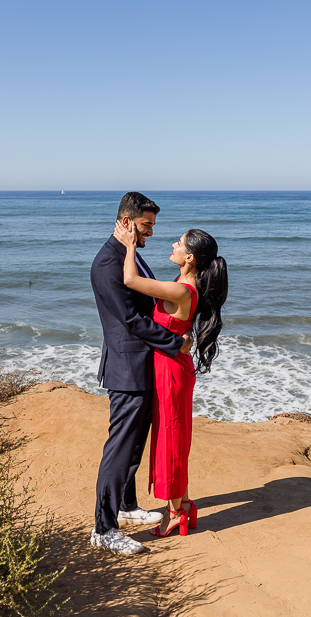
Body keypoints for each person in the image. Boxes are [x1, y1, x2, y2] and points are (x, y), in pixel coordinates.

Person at [89, 192, 194, 555]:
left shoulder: (130, 257)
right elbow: (132, 320)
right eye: (146, 225)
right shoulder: (107, 263)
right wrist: (174, 342)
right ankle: (103, 527)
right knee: (119, 449)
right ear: (125, 222)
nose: (150, 232)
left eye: (152, 225)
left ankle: (126, 506)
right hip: (126, 367)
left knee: (133, 446)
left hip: (141, 364)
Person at [113, 220, 228, 539]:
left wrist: (129, 245)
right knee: (172, 435)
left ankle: (175, 512)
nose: (173, 247)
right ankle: (185, 504)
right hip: (172, 366)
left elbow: (129, 279)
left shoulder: (181, 289)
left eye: (179, 244)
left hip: (171, 371)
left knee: (171, 438)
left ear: (191, 257)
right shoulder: (182, 282)